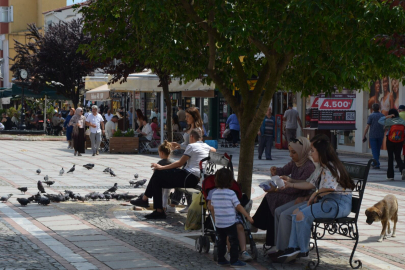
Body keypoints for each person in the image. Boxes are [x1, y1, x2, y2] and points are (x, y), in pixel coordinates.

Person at [278, 134, 355, 262]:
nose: (311, 154)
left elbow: (329, 189)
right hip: (328, 201)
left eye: (313, 151)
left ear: (321, 152)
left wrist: (314, 195)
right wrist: (290, 184)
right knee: (296, 212)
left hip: (337, 204)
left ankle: (302, 249)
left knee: (301, 214)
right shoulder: (322, 166)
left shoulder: (331, 167)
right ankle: (293, 247)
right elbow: (310, 183)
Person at [131, 129, 216, 219]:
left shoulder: (191, 146)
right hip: (194, 178)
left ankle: (147, 201)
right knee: (157, 179)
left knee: (158, 173)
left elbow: (180, 163)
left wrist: (161, 167)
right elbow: (214, 150)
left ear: (191, 136)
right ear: (200, 138)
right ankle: (157, 209)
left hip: (188, 177)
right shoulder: (206, 146)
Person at [252, 137, 315, 255]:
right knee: (271, 197)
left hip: (299, 196)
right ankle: (270, 237)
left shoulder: (309, 166)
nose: (291, 155)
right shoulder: (296, 162)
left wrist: (277, 189)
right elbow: (284, 170)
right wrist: (276, 171)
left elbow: (300, 187)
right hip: (292, 191)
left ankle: (257, 225)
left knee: (272, 198)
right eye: (290, 152)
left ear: (302, 151)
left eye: (294, 152)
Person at [210, 168, 253, 267]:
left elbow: (212, 208)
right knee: (233, 241)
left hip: (219, 223)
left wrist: (215, 220)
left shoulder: (214, 193)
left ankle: (221, 259)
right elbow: (238, 206)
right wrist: (247, 216)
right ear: (230, 181)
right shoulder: (231, 193)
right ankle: (234, 260)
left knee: (221, 241)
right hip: (230, 222)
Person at [167, 107, 205, 213]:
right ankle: (176, 204)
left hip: (193, 162)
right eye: (186, 116)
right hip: (188, 160)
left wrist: (180, 146)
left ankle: (175, 204)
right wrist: (179, 146)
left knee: (181, 179)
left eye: (188, 116)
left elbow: (195, 146)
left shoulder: (198, 130)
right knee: (180, 179)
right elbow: (188, 145)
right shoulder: (190, 128)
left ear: (194, 117)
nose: (186, 118)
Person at [378, 109, 405, 181]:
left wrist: (387, 116)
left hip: (390, 140)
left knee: (390, 157)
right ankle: (403, 168)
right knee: (398, 156)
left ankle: (390, 176)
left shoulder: (389, 121)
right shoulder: (402, 121)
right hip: (400, 141)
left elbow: (380, 120)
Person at [363, 103, 384, 169]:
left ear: (372, 109)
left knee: (374, 150)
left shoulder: (371, 116)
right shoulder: (382, 115)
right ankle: (375, 162)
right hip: (380, 135)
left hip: (373, 135)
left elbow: (367, 126)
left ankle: (376, 164)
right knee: (377, 150)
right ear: (379, 108)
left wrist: (364, 135)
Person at [158, 141, 175, 211]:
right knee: (166, 194)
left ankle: (162, 208)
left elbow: (155, 173)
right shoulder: (173, 162)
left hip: (161, 182)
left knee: (162, 194)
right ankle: (164, 207)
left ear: (162, 153)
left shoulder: (160, 163)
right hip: (171, 183)